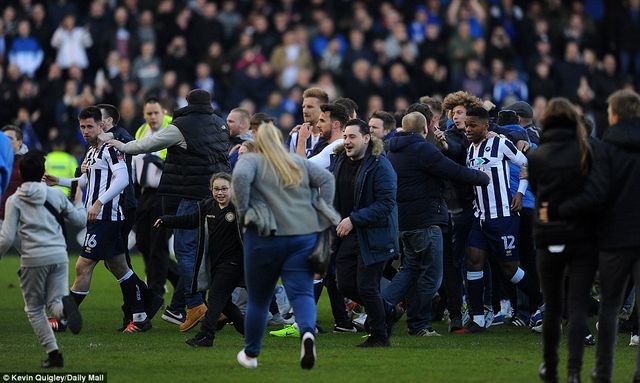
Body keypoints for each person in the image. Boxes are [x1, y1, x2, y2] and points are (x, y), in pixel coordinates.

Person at [105, 89, 231, 332]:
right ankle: (220, 305)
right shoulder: (220, 124)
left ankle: (194, 305)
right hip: (216, 194)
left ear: (188, 103)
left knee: (186, 249)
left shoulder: (180, 125)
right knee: (209, 252)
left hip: (190, 195)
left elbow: (147, 145)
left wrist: (121, 144)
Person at [543, 90, 640, 382]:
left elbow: (595, 195)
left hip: (614, 239)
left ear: (613, 114)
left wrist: (561, 209)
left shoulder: (603, 150)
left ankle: (602, 371)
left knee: (609, 307)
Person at [232, 121, 336, 369]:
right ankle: (307, 333)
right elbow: (328, 180)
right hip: (302, 235)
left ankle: (251, 354)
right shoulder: (296, 161)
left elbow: (241, 177)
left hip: (264, 237)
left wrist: (245, 210)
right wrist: (323, 211)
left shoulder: (251, 160)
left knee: (258, 299)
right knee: (301, 293)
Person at [383, 112, 490, 337]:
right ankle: (419, 324)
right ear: (425, 130)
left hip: (403, 221)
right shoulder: (423, 149)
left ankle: (381, 309)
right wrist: (482, 177)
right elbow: (454, 170)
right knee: (432, 275)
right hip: (426, 220)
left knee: (410, 269)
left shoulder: (392, 150)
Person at [45, 106, 150, 333]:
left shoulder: (110, 149)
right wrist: (60, 181)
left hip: (106, 217)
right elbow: (85, 181)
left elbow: (123, 179)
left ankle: (64, 317)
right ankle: (141, 315)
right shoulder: (92, 152)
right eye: (82, 127)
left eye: (89, 126)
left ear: (101, 125)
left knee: (83, 266)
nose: (85, 131)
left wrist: (99, 202)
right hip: (99, 217)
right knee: (119, 266)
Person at [527, 98, 601, 383]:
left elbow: (537, 189)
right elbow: (594, 192)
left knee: (553, 304)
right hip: (581, 235)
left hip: (548, 234)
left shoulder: (538, 155)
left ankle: (550, 364)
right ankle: (573, 370)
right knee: (578, 303)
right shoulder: (585, 150)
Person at [461, 106, 542, 333]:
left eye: (472, 125)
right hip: (481, 216)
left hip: (503, 216)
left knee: (510, 269)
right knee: (473, 261)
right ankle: (477, 318)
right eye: (466, 125)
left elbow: (525, 164)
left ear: (486, 125)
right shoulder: (470, 150)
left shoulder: (501, 143)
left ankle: (544, 301)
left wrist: (520, 193)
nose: (468, 129)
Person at [0, 150, 85, 368]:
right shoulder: (55, 195)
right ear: (43, 173)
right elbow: (79, 221)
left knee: (34, 309)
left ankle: (54, 353)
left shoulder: (14, 200)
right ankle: (66, 310)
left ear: (20, 172)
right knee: (54, 302)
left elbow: (7, 238)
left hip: (33, 258)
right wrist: (80, 201)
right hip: (59, 254)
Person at [155, 173, 244, 348]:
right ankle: (250, 332)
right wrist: (166, 221)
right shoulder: (208, 206)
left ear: (232, 189)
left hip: (233, 263)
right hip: (215, 263)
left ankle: (206, 336)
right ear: (211, 190)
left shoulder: (239, 208)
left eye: (224, 189)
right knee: (225, 304)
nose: (220, 193)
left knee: (215, 299)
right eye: (216, 189)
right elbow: (190, 220)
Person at [332, 119, 399, 347]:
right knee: (345, 284)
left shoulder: (380, 165)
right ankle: (387, 310)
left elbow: (386, 204)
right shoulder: (340, 160)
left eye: (352, 137)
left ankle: (379, 337)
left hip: (375, 234)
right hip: (350, 233)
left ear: (366, 138)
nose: (347, 141)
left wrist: (353, 219)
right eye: (345, 137)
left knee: (367, 286)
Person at [132, 97, 179, 307]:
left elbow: (182, 161)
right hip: (145, 193)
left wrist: (161, 164)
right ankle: (180, 280)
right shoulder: (142, 130)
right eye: (148, 113)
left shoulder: (173, 128)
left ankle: (155, 293)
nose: (152, 117)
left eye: (155, 113)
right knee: (143, 243)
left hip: (166, 193)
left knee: (158, 245)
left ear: (164, 112)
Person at [289, 87, 328, 157]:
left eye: (310, 107)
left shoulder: (330, 136)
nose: (305, 111)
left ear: (323, 109)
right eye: (303, 107)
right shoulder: (295, 136)